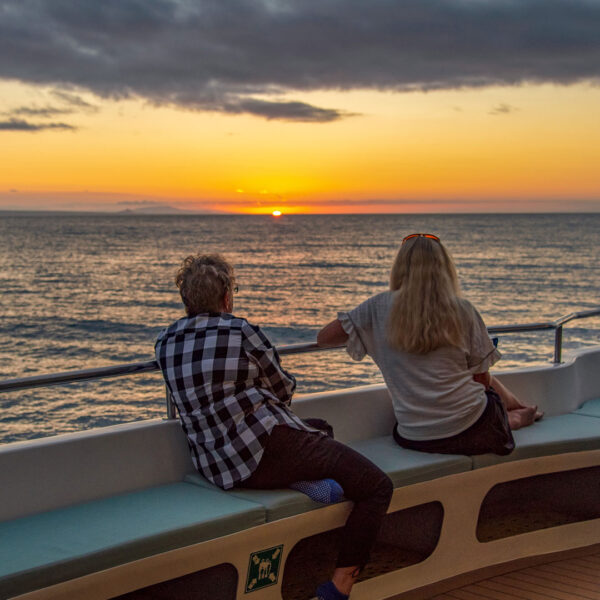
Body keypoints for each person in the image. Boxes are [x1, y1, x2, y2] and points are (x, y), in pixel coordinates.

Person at [155, 253, 393, 600]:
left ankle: (303, 481)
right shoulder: (240, 331)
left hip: (217, 466)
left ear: (187, 300)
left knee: (318, 428)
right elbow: (283, 392)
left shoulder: (165, 342)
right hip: (266, 453)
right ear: (227, 298)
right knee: (376, 486)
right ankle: (338, 588)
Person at [317, 233, 541, 458]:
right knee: (486, 391)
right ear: (443, 268)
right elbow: (482, 381)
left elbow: (324, 338)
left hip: (414, 436)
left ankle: (516, 410)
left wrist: (366, 327)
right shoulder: (463, 310)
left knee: (478, 385)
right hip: (471, 428)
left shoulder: (376, 307)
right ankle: (518, 416)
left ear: (400, 267)